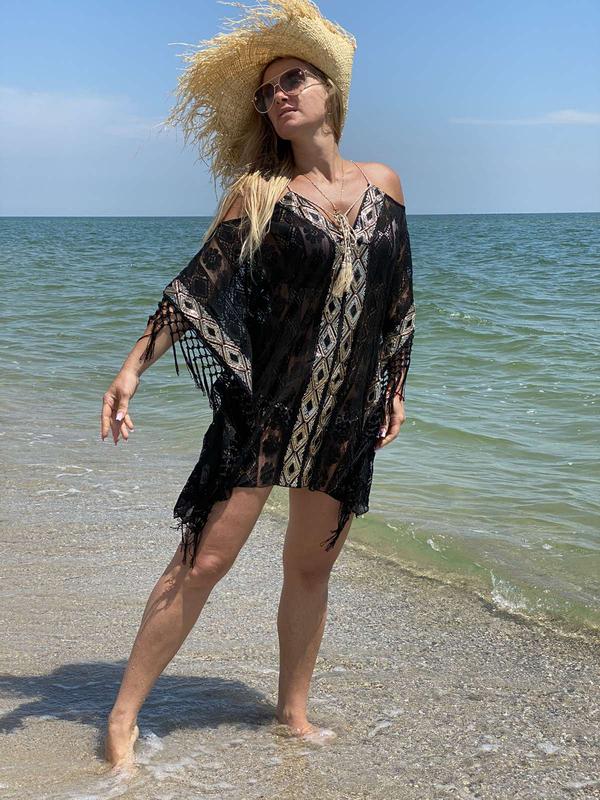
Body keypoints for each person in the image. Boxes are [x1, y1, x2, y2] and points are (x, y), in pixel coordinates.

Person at [100, 0, 416, 769]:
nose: (280, 95)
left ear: (330, 91)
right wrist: (133, 366)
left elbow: (398, 298)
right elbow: (198, 286)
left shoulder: (386, 184)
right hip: (265, 408)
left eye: (294, 79)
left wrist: (396, 384)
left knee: (310, 567)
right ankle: (121, 717)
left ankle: (293, 714)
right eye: (268, 91)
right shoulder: (261, 193)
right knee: (203, 561)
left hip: (345, 412)